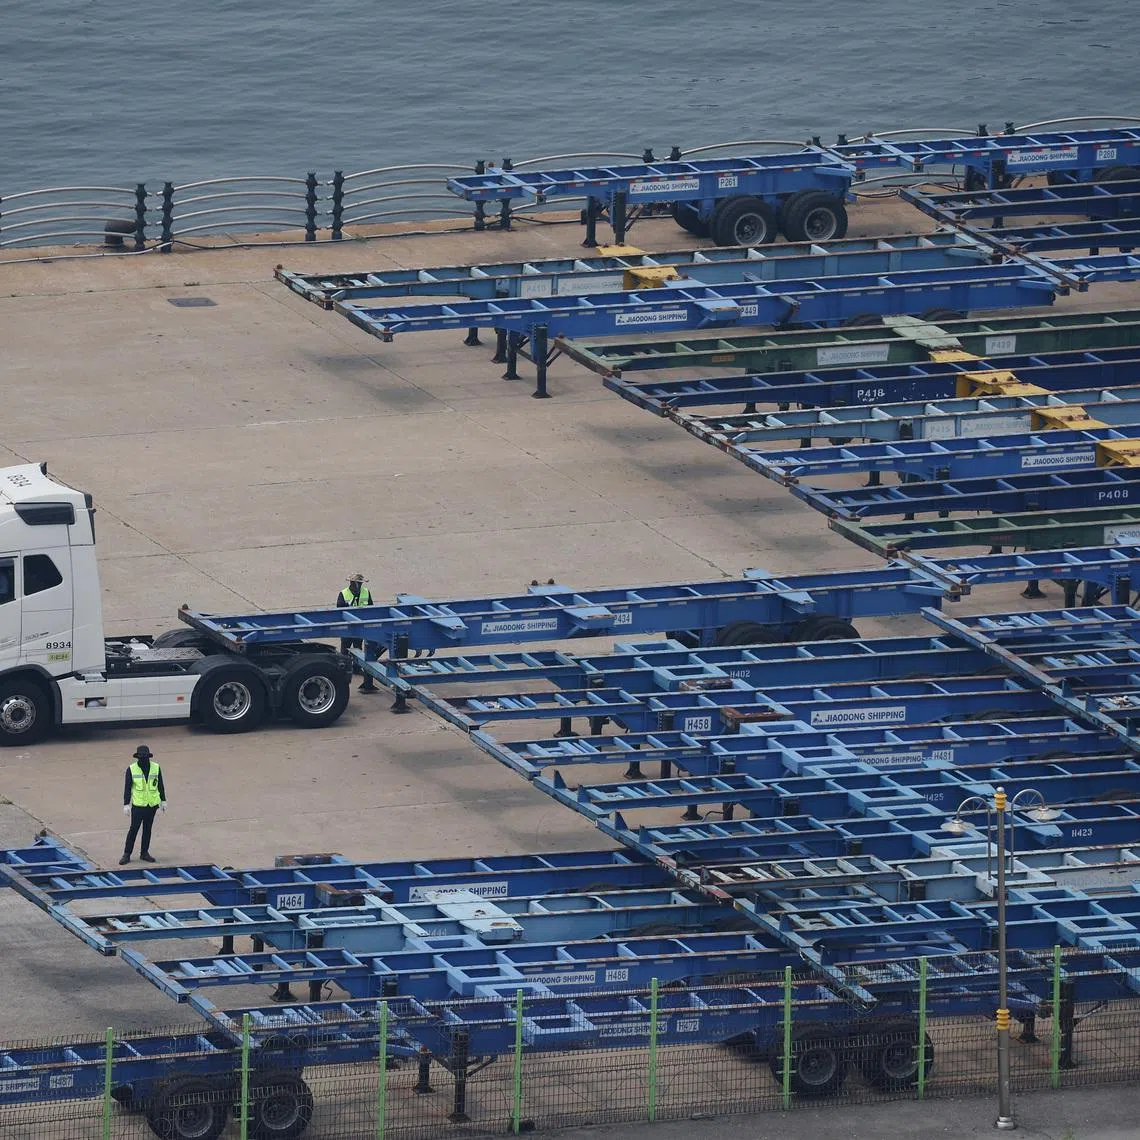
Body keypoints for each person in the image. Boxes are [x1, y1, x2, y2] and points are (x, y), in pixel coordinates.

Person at [120, 744, 166, 865]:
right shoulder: (131, 769)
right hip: (138, 805)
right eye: (141, 757)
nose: (143, 759)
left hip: (151, 805)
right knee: (133, 830)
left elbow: (160, 784)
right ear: (138, 758)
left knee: (147, 829)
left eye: (145, 757)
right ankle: (127, 853)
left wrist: (163, 800)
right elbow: (127, 788)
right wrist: (126, 804)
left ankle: (144, 852)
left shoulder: (156, 767)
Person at [337, 572, 377, 693]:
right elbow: (339, 609)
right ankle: (342, 668)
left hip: (360, 626)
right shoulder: (343, 593)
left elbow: (371, 607)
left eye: (360, 583)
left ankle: (356, 667)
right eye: (356, 583)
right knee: (345, 649)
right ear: (351, 583)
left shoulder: (366, 592)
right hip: (347, 627)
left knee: (358, 647)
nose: (358, 586)